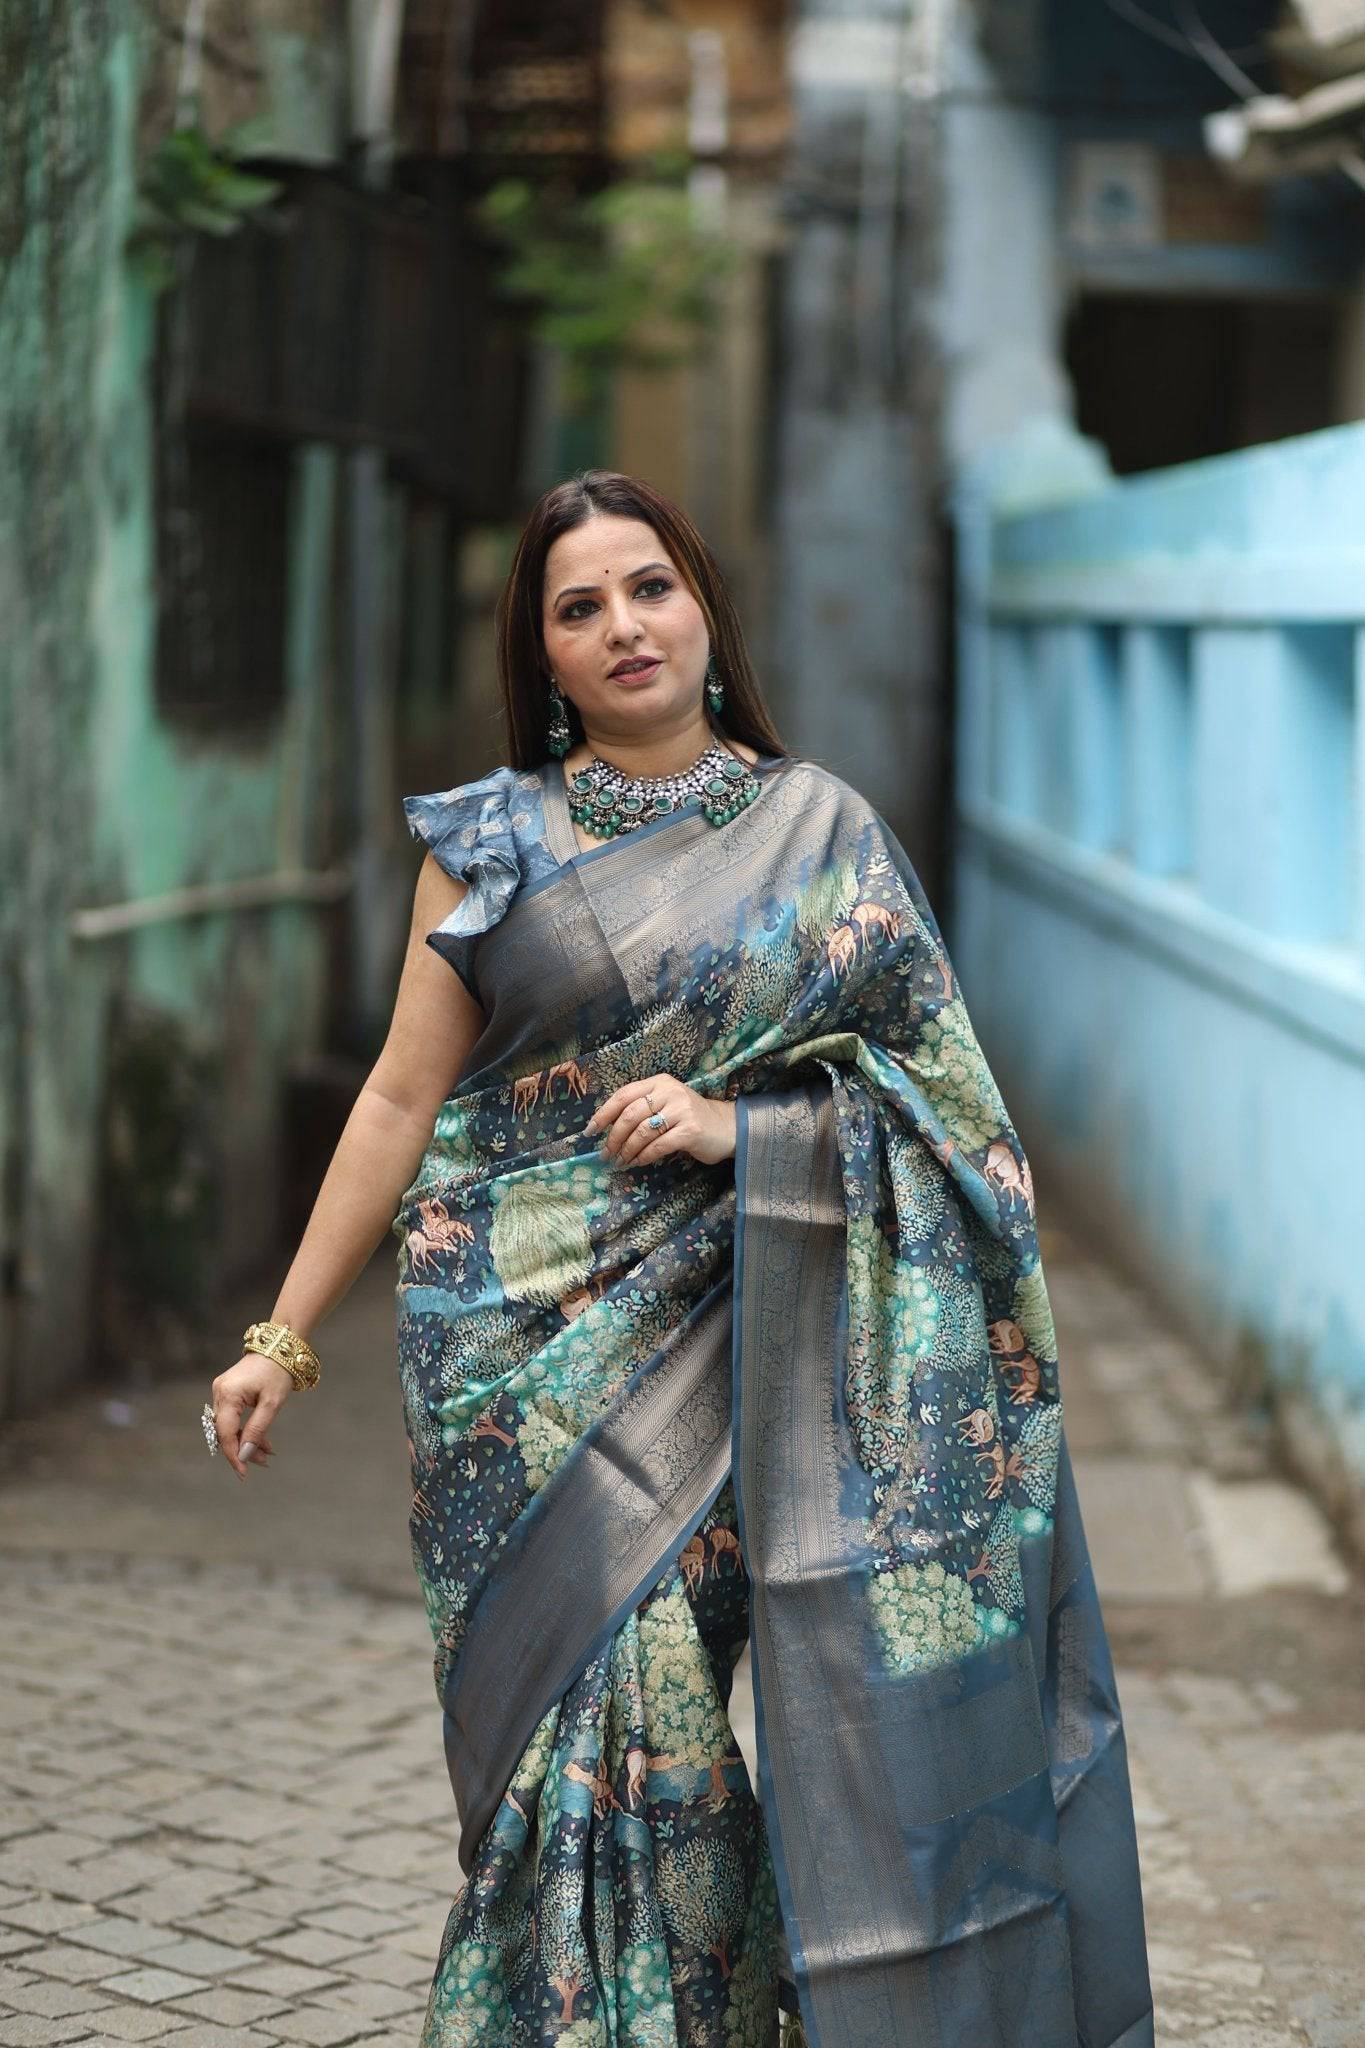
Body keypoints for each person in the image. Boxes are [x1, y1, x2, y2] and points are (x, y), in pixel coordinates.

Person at [204, 469, 1155, 2048]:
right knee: (561, 1740)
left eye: (648, 587)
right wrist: (281, 1338)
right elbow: (394, 1098)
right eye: (577, 608)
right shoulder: (489, 842)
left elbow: (958, 1123)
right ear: (545, 654)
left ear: (704, 606)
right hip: (506, 1362)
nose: (621, 626)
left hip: (747, 1346)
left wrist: (746, 1130)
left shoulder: (822, 835)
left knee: (653, 1719)